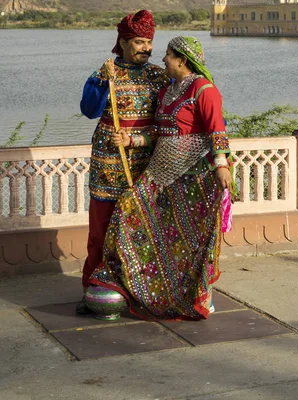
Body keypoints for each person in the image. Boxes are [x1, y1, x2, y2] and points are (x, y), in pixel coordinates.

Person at [89, 36, 233, 320]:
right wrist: (131, 140)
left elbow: (217, 130)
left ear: (182, 59)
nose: (163, 58)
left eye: (168, 54)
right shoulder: (169, 90)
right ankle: (143, 288)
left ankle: (201, 296)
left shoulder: (204, 90)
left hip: (193, 177)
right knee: (130, 215)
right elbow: (159, 133)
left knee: (192, 239)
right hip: (160, 172)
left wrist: (221, 166)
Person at [77, 10, 169, 314]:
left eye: (149, 42)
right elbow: (89, 110)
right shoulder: (105, 72)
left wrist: (138, 139)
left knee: (142, 228)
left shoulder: (158, 76)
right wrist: (103, 82)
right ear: (124, 41)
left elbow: (170, 121)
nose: (146, 48)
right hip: (108, 162)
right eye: (140, 41)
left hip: (145, 164)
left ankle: (140, 290)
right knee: (101, 228)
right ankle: (95, 289)